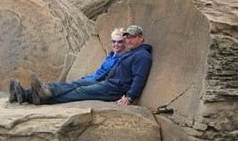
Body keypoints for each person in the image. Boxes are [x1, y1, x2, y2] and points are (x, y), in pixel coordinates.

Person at [10, 25, 152, 107]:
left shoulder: (142, 56)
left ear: (141, 38)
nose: (130, 40)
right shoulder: (132, 53)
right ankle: (29, 94)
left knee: (77, 92)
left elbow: (139, 78)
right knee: (76, 88)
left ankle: (33, 95)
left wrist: (129, 97)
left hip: (113, 89)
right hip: (109, 84)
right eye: (128, 37)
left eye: (133, 37)